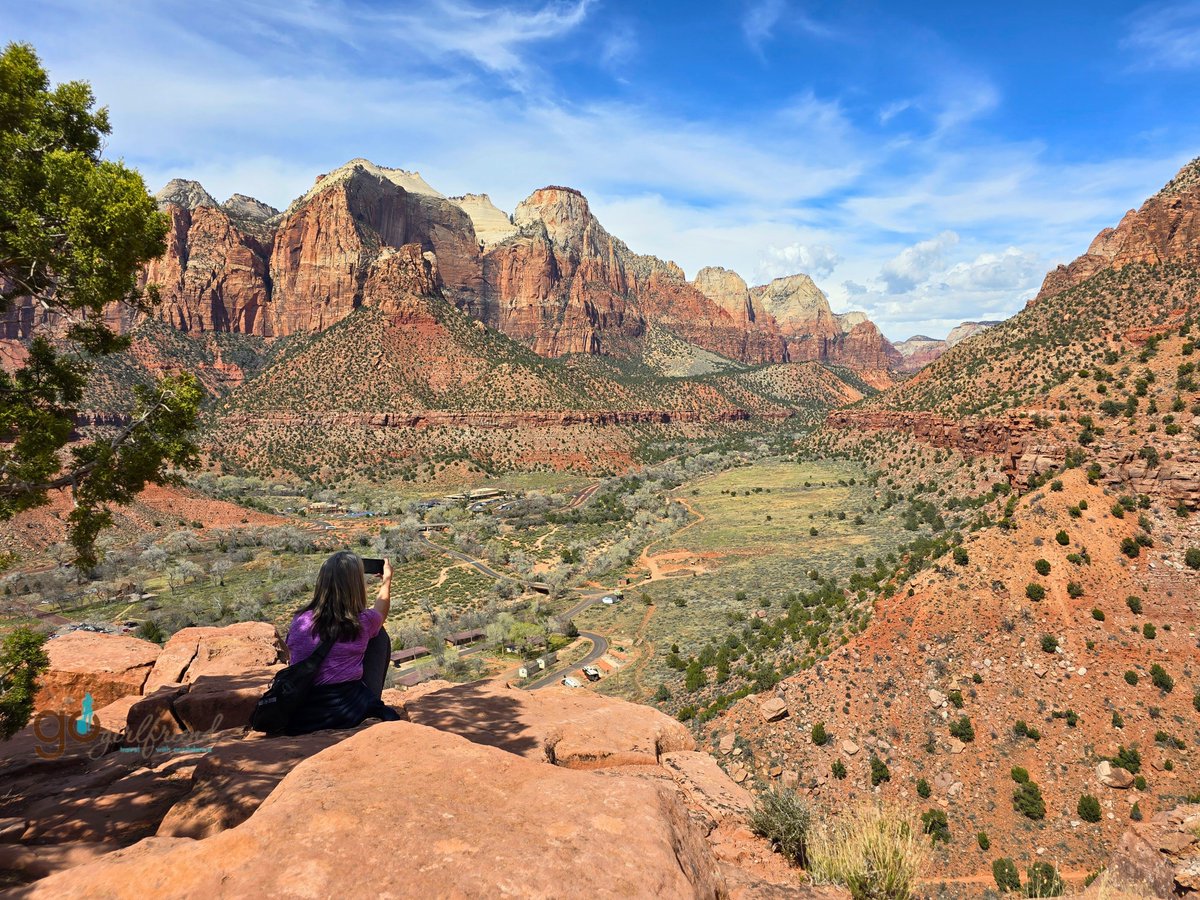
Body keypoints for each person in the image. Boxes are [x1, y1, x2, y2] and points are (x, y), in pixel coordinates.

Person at [284, 550, 401, 735]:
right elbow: (381, 611)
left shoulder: (299, 619)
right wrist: (387, 581)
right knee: (379, 635)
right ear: (355, 586)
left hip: (302, 704)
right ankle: (369, 700)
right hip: (343, 708)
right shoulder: (362, 621)